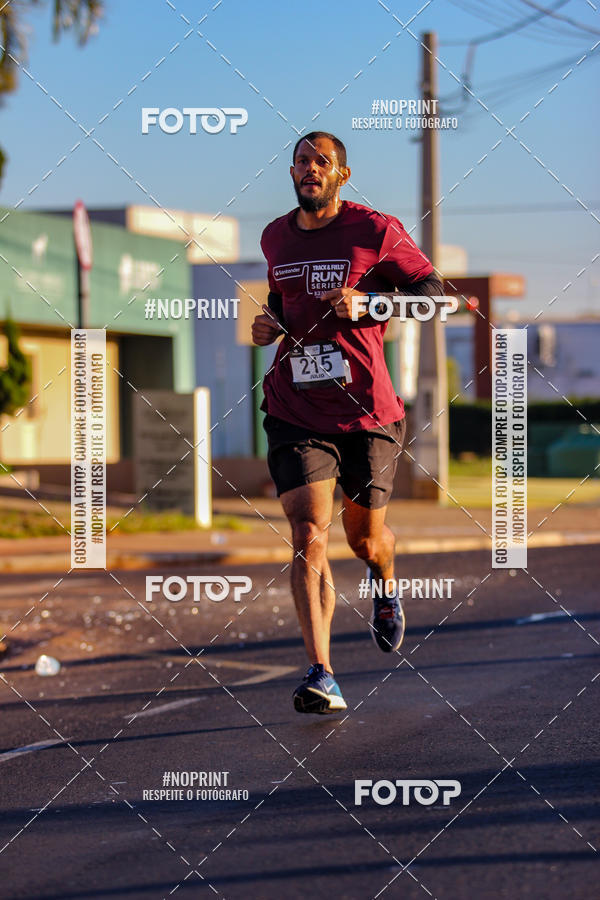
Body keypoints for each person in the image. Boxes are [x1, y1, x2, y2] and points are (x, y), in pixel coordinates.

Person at [252, 131, 443, 715]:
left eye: (322, 162)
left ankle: (384, 579)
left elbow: (435, 297)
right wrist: (269, 323)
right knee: (309, 532)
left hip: (366, 412)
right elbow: (282, 301)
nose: (310, 169)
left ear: (342, 174)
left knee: (364, 540)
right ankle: (322, 672)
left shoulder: (374, 230)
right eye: (301, 161)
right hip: (295, 407)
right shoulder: (275, 236)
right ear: (291, 172)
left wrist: (372, 304)